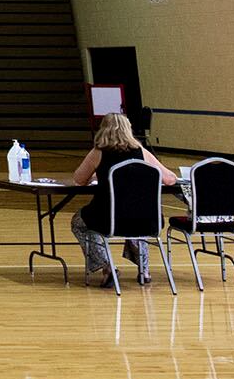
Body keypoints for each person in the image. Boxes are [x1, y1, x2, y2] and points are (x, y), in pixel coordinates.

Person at [63, 112, 172, 287]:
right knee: (135, 222)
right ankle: (144, 270)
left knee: (79, 222)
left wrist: (95, 177)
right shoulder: (141, 152)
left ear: (103, 130)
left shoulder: (99, 152)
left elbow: (79, 179)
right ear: (128, 129)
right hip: (146, 218)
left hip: (109, 217)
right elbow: (170, 179)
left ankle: (107, 267)